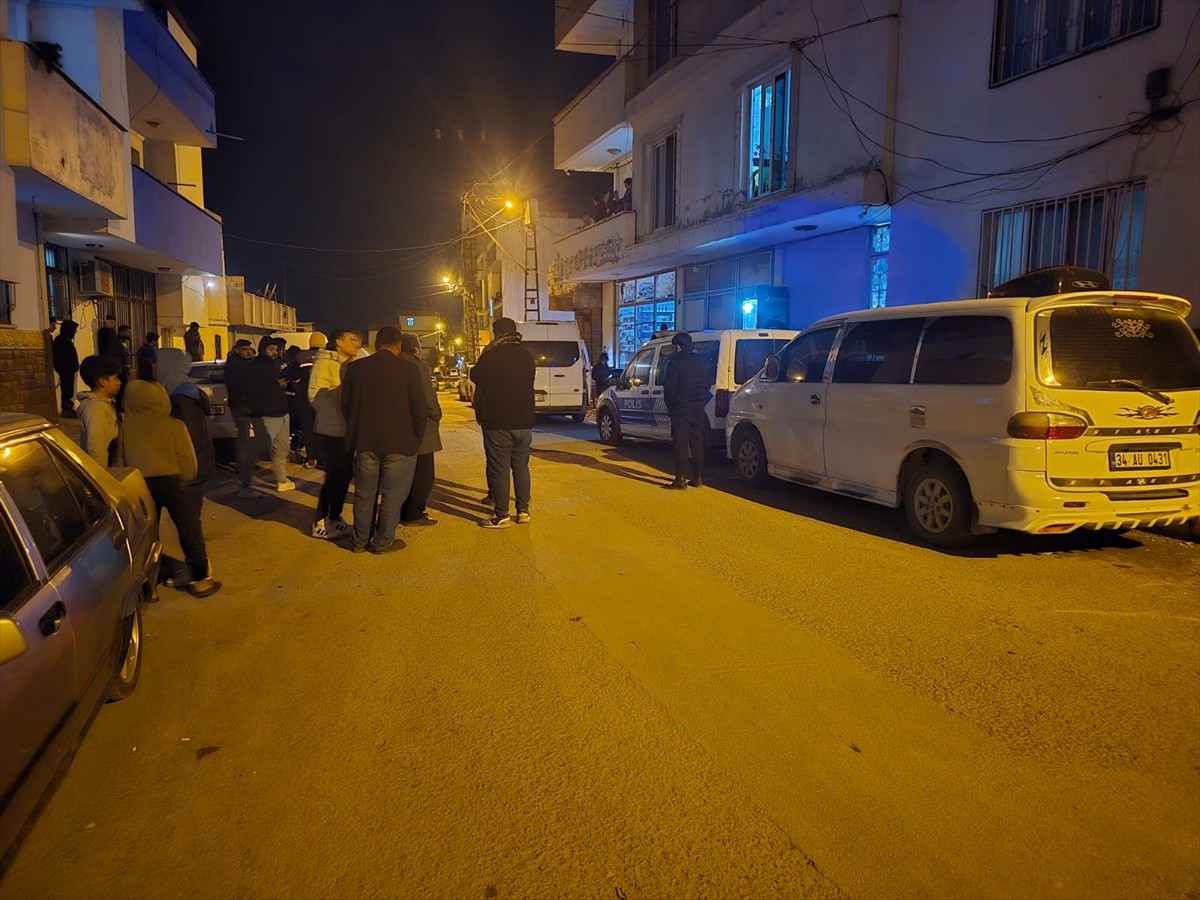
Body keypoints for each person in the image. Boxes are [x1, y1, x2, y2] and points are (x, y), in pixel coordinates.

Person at [115, 379, 219, 598]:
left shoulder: (125, 428)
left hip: (141, 484)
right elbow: (186, 457)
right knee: (190, 530)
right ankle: (201, 580)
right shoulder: (173, 425)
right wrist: (190, 479)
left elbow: (119, 462)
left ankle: (150, 586)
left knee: (149, 535)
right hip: (177, 483)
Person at [340, 326, 427, 554]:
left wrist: (358, 429)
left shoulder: (355, 369)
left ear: (376, 344)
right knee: (392, 495)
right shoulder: (408, 369)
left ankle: (359, 541)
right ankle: (382, 541)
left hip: (366, 440)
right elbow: (419, 408)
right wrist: (416, 438)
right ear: (398, 346)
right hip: (400, 441)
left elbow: (346, 406)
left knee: (365, 493)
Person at [156, 349, 219, 597]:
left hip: (184, 474)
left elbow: (190, 442)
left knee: (189, 527)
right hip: (181, 471)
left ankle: (200, 575)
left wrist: (185, 472)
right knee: (184, 527)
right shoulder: (177, 393)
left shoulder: (180, 399)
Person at [470, 316, 535, 529]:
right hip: (524, 420)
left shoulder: (491, 356)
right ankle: (523, 510)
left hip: (498, 421)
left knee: (499, 468)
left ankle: (502, 515)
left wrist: (487, 352)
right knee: (521, 467)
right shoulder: (527, 356)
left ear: (497, 334)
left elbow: (475, 375)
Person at [308, 329, 359, 538]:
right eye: (351, 339)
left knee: (345, 475)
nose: (356, 343)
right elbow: (315, 396)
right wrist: (341, 396)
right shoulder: (325, 363)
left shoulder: (354, 363)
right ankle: (320, 520)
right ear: (338, 342)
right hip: (331, 429)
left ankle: (335, 517)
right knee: (333, 476)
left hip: (347, 428)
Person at [398, 332, 442, 527]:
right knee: (424, 473)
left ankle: (401, 509)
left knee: (404, 472)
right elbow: (427, 397)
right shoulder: (417, 366)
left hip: (399, 426)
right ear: (416, 349)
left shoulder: (394, 363)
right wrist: (436, 414)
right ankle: (413, 512)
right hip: (421, 426)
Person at [240, 336, 294, 494]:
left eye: (276, 350)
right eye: (271, 349)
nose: (274, 353)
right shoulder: (255, 366)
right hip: (265, 414)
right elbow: (254, 387)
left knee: (282, 449)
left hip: (282, 412)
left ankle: (282, 479)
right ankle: (246, 484)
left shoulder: (275, 365)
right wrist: (275, 384)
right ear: (263, 349)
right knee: (258, 449)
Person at [662, 331, 711, 490]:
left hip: (680, 410)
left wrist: (671, 404)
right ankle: (698, 477)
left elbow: (669, 388)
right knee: (697, 443)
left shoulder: (675, 363)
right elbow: (708, 383)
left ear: (678, 347)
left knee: (681, 445)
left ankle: (680, 479)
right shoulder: (701, 361)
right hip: (697, 408)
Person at [224, 339, 264, 498]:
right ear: (237, 350)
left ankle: (246, 475)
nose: (249, 352)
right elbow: (247, 384)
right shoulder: (239, 365)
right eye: (245, 349)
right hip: (243, 406)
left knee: (246, 439)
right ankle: (245, 481)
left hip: (241, 405)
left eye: (250, 349)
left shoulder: (234, 363)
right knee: (246, 442)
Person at [76, 354, 121, 465]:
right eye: (115, 378)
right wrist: (102, 477)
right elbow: (96, 447)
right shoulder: (97, 409)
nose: (119, 382)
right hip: (105, 470)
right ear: (102, 382)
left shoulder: (103, 403)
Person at [52, 320, 81, 417]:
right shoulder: (62, 341)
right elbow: (65, 357)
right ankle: (67, 409)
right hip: (66, 370)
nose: (75, 333)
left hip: (68, 370)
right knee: (67, 389)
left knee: (68, 389)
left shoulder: (64, 340)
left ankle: (69, 408)